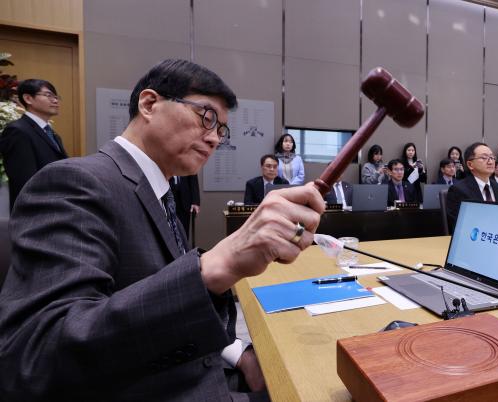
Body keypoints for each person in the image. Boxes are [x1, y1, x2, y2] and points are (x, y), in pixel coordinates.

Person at [0, 59, 325, 401]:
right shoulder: (74, 182)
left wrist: (237, 353)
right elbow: (35, 356)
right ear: (149, 104)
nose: (215, 138)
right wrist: (215, 266)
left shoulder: (162, 193)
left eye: (221, 129)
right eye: (207, 116)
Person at [0, 78, 68, 210]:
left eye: (56, 96)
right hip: (34, 211)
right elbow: (24, 181)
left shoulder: (52, 134)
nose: (55, 101)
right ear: (28, 98)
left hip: (56, 207)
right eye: (48, 95)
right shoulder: (17, 131)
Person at [446, 143, 498, 231]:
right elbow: (459, 226)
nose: (490, 162)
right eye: (484, 158)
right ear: (470, 164)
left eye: (492, 157)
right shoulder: (458, 190)